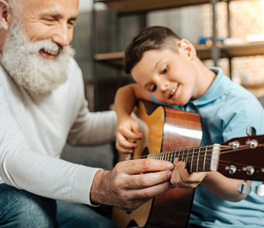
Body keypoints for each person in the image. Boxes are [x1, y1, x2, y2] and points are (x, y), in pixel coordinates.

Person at [0, 1, 175, 227]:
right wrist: (100, 184)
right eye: (50, 20)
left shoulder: (66, 67)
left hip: (39, 193)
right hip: (13, 194)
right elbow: (10, 157)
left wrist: (136, 120)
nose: (64, 38)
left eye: (71, 22)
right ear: (4, 14)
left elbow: (78, 129)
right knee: (30, 211)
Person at [114, 26, 264, 227]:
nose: (163, 86)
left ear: (186, 50)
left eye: (164, 69)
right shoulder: (173, 99)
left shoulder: (241, 108)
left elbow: (239, 190)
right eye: (152, 87)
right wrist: (123, 118)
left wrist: (206, 175)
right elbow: (127, 92)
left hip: (231, 221)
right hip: (179, 215)